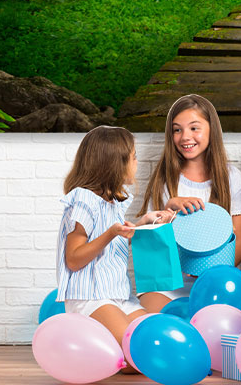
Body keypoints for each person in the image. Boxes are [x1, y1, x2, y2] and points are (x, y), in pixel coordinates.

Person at [56, 125, 175, 365]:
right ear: (114, 163)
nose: (136, 163)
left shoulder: (112, 202)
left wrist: (143, 222)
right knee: (139, 355)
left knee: (157, 342)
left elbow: (115, 239)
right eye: (133, 157)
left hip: (119, 296)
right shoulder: (84, 201)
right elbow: (74, 259)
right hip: (91, 297)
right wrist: (111, 233)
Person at [138, 94, 241, 312]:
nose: (184, 137)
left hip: (215, 280)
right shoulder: (165, 179)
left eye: (194, 128)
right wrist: (167, 213)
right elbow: (151, 247)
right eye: (177, 129)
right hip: (167, 282)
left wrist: (209, 271)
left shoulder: (232, 178)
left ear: (211, 130)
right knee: (153, 320)